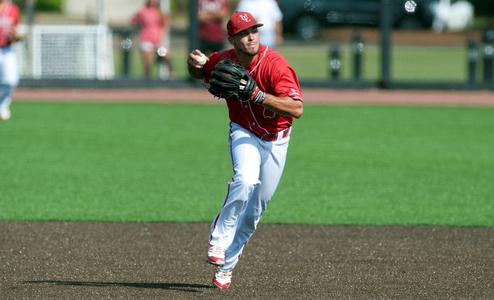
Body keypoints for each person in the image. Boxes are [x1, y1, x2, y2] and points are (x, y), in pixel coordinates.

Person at [187, 11, 303, 289]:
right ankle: (218, 240)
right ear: (232, 39)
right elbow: (199, 71)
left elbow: (297, 108)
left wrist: (257, 95)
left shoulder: (275, 65)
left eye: (254, 31)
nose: (250, 36)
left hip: (277, 139)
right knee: (246, 179)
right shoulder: (223, 60)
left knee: (253, 214)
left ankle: (226, 267)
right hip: (244, 131)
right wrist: (194, 63)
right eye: (243, 33)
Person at [131, 0, 174, 79]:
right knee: (148, 62)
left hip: (158, 41)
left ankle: (172, 77)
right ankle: (148, 80)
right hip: (146, 40)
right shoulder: (142, 11)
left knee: (167, 56)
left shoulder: (160, 11)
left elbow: (166, 23)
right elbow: (133, 21)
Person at [0, 0, 22, 121]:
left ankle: (2, 106)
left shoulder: (12, 9)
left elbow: (13, 30)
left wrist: (17, 36)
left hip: (6, 49)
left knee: (11, 80)